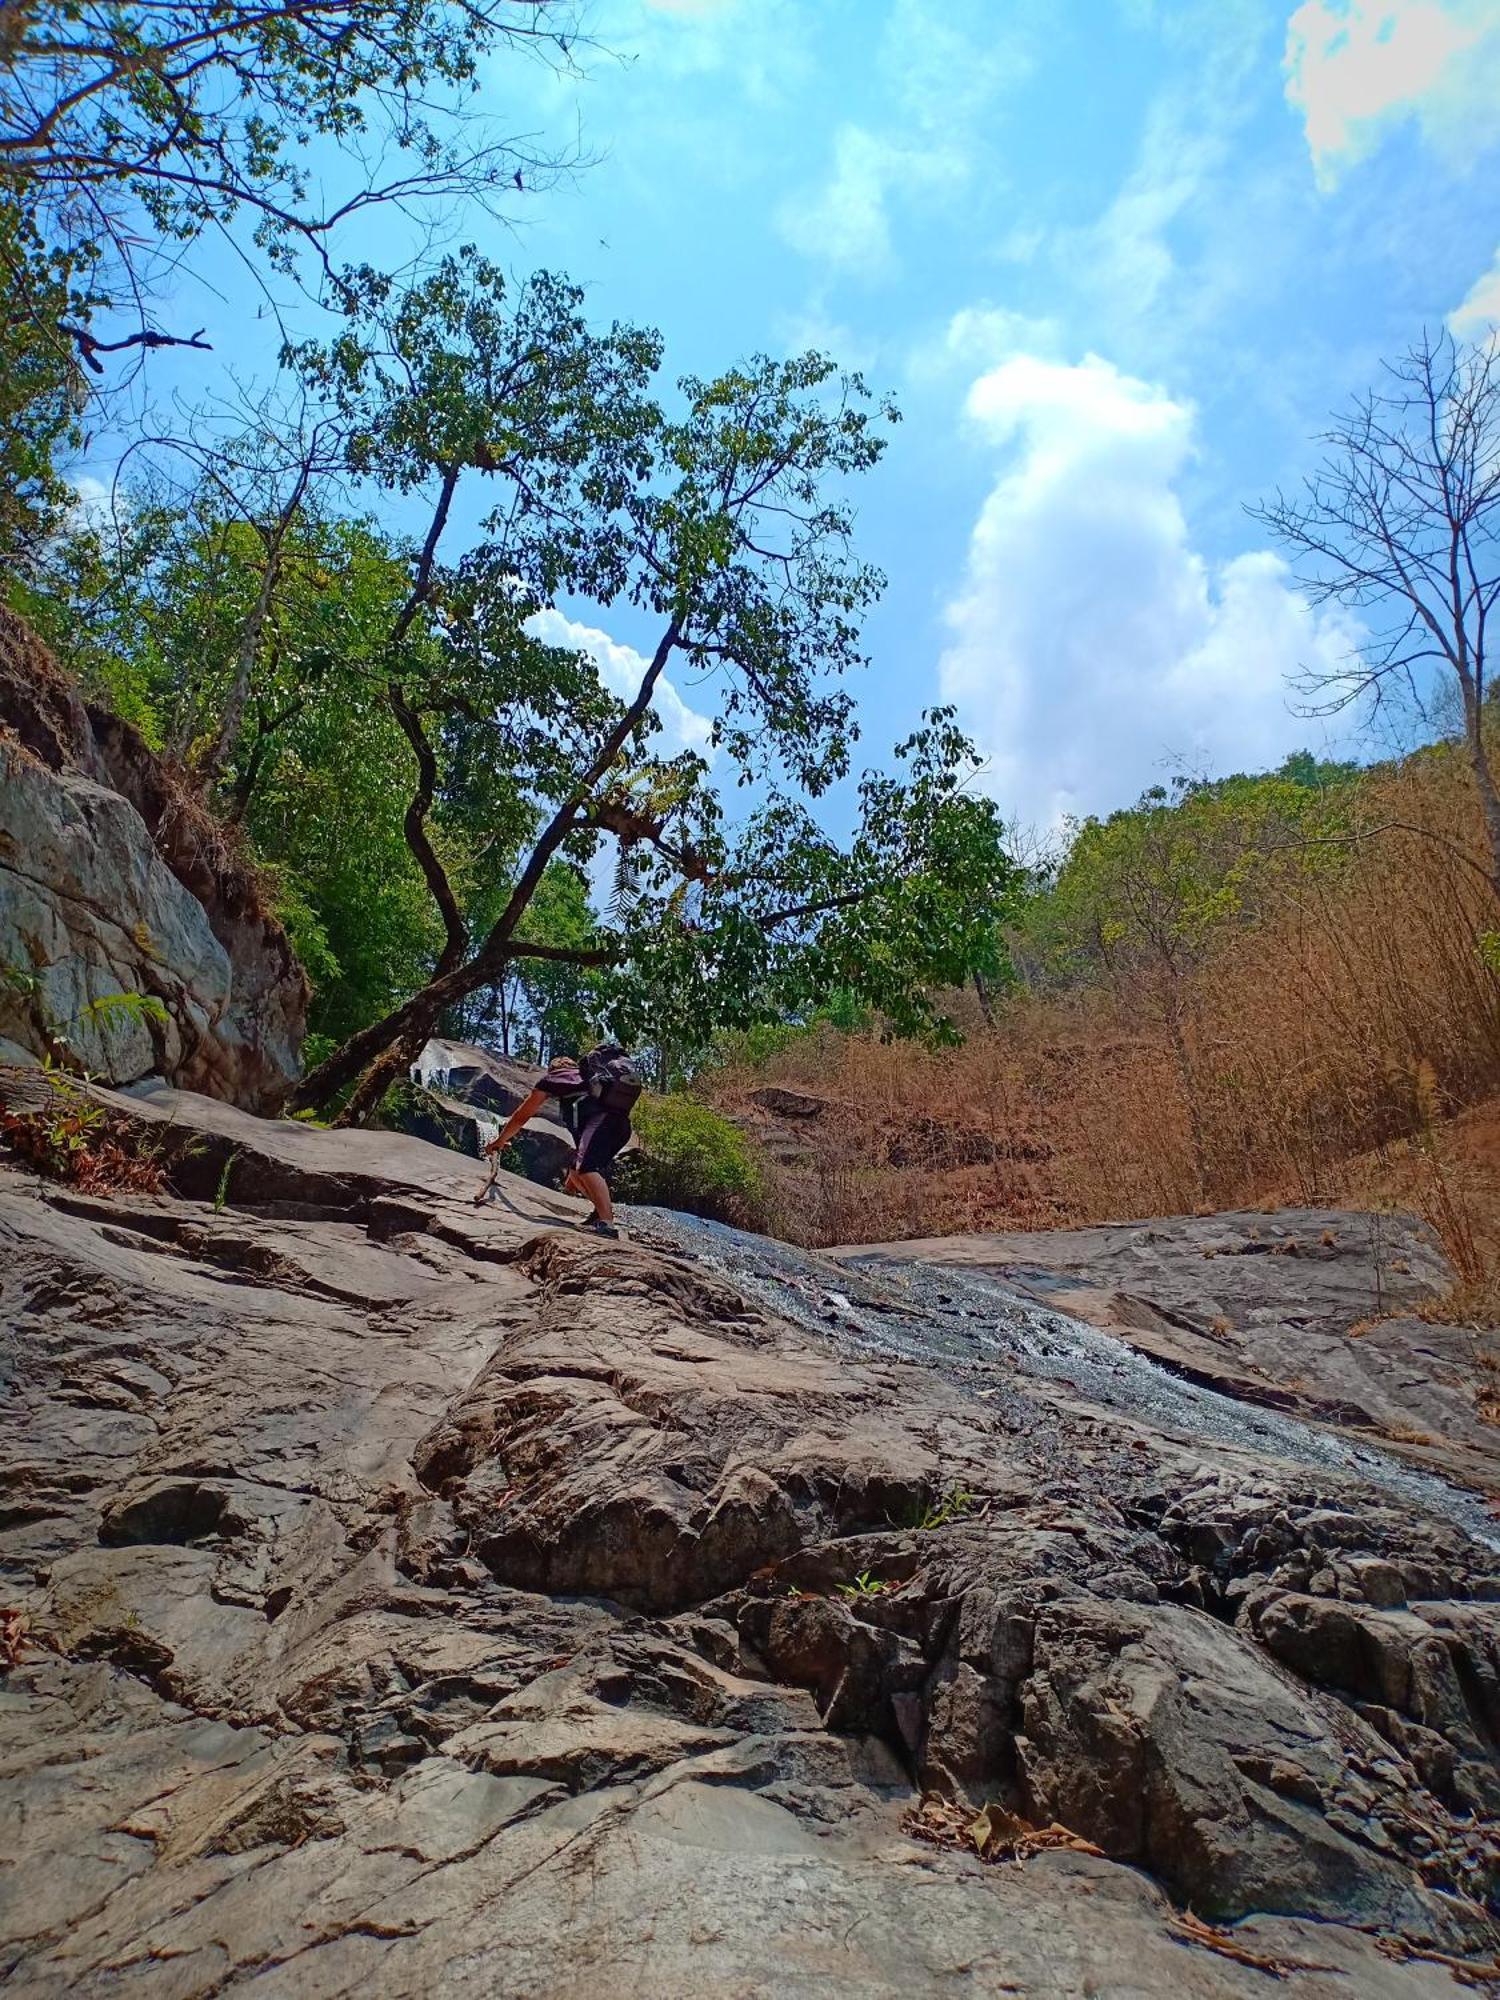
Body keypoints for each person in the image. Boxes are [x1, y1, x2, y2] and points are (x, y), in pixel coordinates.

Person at [483, 1045, 641, 1237]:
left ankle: (607, 1224)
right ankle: (599, 1214)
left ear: (552, 1068)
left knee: (586, 1168)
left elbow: (521, 1117)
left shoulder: (553, 1078)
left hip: (602, 1123)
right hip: (622, 1127)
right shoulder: (591, 1079)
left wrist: (498, 1142)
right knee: (576, 1170)